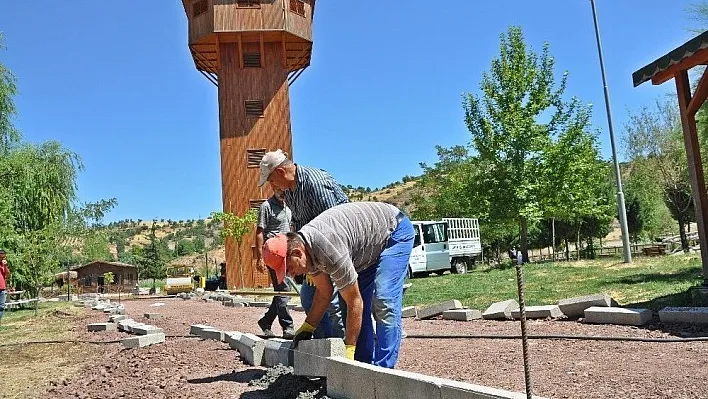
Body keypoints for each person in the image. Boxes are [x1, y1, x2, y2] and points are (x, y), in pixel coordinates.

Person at [262, 202, 414, 368]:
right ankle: (362, 366)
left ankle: (385, 370)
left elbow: (355, 302)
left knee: (384, 300)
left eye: (289, 268)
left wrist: (348, 348)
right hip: (365, 250)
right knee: (347, 304)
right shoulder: (308, 252)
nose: (290, 274)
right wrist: (308, 326)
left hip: (393, 232)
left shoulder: (328, 247)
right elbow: (325, 292)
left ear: (297, 253)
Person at [258, 149, 348, 339]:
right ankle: (323, 345)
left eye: (271, 180)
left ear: (281, 172)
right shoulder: (289, 192)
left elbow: (336, 225)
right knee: (308, 298)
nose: (272, 185)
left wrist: (318, 264)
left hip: (336, 250)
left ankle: (341, 351)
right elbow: (298, 223)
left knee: (333, 304)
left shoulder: (316, 184)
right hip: (312, 250)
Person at [254, 190, 295, 339]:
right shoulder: (266, 206)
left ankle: (266, 321)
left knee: (282, 290)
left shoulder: (288, 205)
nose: (283, 192)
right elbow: (259, 232)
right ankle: (287, 326)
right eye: (280, 189)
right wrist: (259, 258)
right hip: (273, 254)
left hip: (287, 253)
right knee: (284, 289)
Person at [0, 249, 11, 323]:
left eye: (4, 257)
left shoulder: (4, 265)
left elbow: (8, 275)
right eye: (1, 257)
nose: (3, 258)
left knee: (1, 307)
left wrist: (5, 265)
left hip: (2, 288)